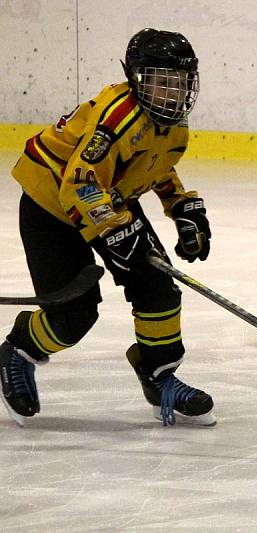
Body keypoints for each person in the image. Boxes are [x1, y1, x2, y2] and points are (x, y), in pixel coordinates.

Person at [1, 28, 215, 428]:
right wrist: (116, 229)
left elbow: (155, 167)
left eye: (179, 82)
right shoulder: (117, 117)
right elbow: (78, 183)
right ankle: (18, 350)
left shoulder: (174, 125)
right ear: (138, 79)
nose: (171, 92)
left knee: (158, 290)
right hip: (50, 206)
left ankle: (159, 377)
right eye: (160, 81)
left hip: (107, 198)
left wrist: (182, 207)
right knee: (73, 316)